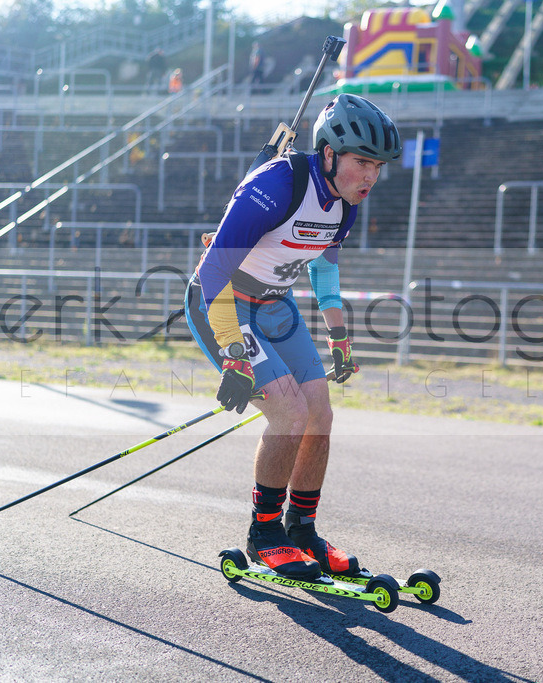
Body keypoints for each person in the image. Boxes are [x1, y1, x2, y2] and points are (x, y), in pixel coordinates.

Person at [184, 94, 402, 580]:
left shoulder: (344, 204)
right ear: (329, 154)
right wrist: (234, 355)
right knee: (288, 410)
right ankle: (264, 536)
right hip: (223, 299)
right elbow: (214, 268)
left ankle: (301, 531)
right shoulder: (277, 183)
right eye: (361, 162)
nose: (370, 176)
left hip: (275, 305)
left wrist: (340, 338)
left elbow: (325, 275)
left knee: (319, 413)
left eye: (378, 166)